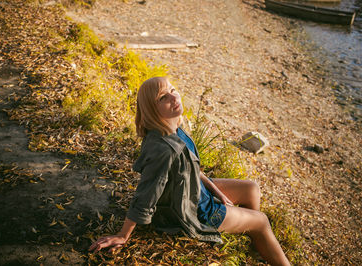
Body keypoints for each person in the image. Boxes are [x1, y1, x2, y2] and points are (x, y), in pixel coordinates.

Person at [89, 77, 290, 266]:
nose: (174, 97)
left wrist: (217, 192)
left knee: (251, 188)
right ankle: (260, 235)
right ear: (152, 110)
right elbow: (146, 195)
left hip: (193, 191)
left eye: (173, 90)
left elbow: (191, 166)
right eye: (163, 98)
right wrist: (123, 235)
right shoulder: (163, 150)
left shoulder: (174, 126)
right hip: (194, 211)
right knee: (262, 221)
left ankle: (257, 241)